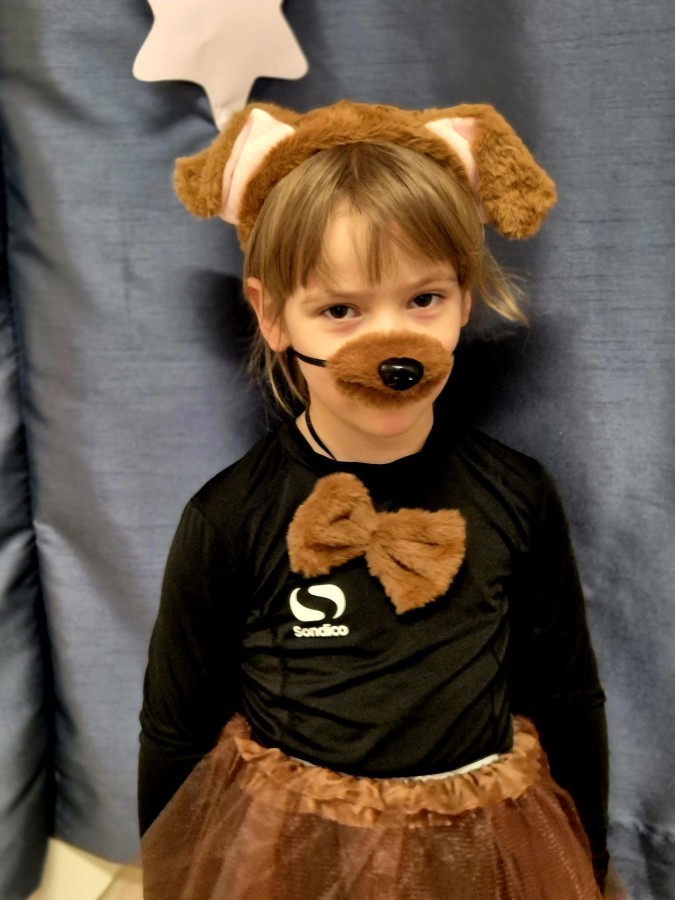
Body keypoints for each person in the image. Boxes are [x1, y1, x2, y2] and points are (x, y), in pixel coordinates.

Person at [138, 100, 612, 900]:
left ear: (464, 299)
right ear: (271, 314)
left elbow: (565, 694)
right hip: (294, 859)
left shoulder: (518, 493)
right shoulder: (230, 515)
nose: (393, 349)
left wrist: (588, 863)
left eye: (423, 300)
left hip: (484, 852)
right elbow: (175, 728)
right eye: (340, 310)